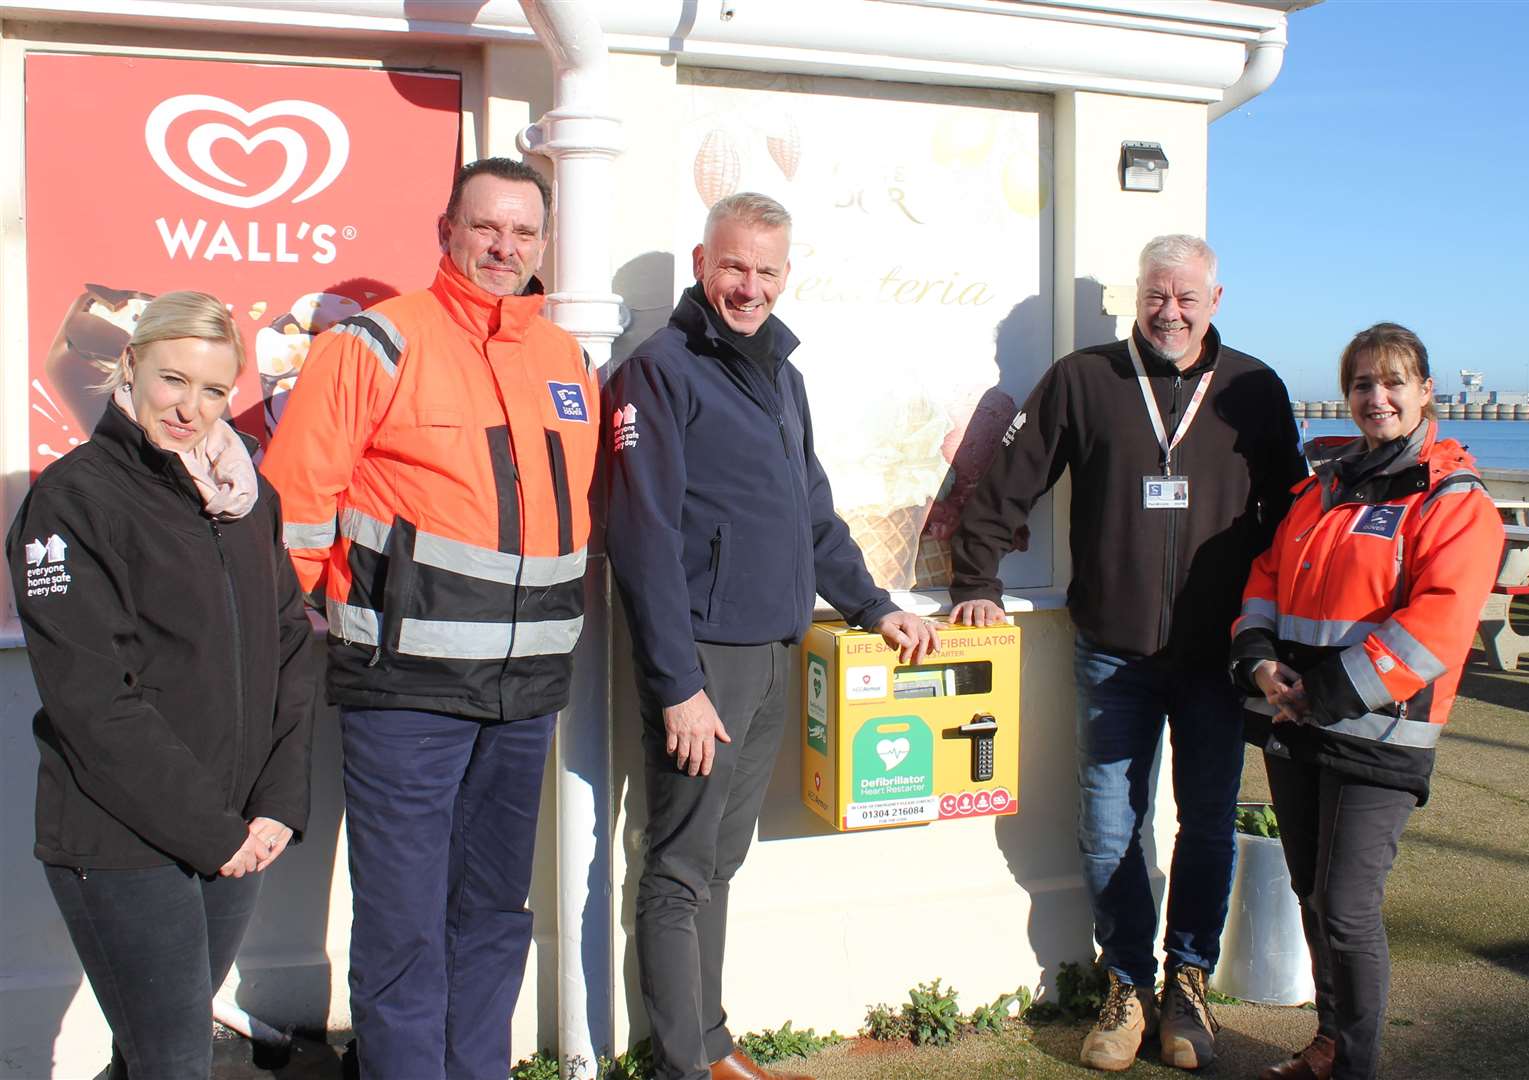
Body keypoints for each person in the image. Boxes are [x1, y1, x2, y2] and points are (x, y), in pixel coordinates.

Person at [261, 157, 598, 1080]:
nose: (505, 247)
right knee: (404, 923)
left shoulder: (566, 359)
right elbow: (292, 515)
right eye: (486, 227)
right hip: (403, 694)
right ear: (446, 230)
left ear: (543, 243)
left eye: (524, 232)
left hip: (526, 696)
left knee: (494, 913)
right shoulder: (371, 346)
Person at [948, 234, 1304, 1072]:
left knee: (1208, 823)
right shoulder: (1083, 378)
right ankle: (1125, 986)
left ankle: (1187, 984)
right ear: (1134, 297)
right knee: (1111, 826)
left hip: (1220, 658)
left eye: (1186, 297)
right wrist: (976, 577)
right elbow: (1007, 484)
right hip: (1113, 650)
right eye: (1156, 295)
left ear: (1215, 300)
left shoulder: (1254, 388)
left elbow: (1291, 515)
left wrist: (1294, 628)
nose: (1169, 311)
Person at [604, 192, 938, 1080]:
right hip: (703, 660)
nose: (747, 285)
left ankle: (709, 1043)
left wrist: (874, 605)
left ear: (785, 276)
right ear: (700, 262)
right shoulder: (659, 370)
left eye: (765, 270)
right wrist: (677, 683)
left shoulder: (781, 376)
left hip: (770, 654)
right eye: (733, 266)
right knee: (677, 868)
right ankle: (679, 1062)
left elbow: (813, 518)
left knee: (718, 859)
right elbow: (639, 538)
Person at [6, 291, 313, 1079]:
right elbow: (92, 699)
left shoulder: (247, 497)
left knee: (154, 1054)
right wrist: (215, 832)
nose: (190, 408)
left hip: (237, 830)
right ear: (132, 364)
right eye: (173, 380)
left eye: (214, 390)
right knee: (173, 1060)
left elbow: (288, 649)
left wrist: (276, 803)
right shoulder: (74, 498)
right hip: (124, 838)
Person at [1232, 323, 1503, 1080]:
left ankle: (1353, 1063)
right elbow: (1267, 576)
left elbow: (1437, 627)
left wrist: (1317, 693)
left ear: (1424, 392)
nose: (1375, 398)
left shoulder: (1452, 499)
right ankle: (1327, 1041)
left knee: (1347, 909)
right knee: (1311, 896)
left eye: (1391, 383)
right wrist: (1256, 660)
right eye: (1360, 385)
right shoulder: (1322, 486)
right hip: (1297, 719)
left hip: (1379, 732)